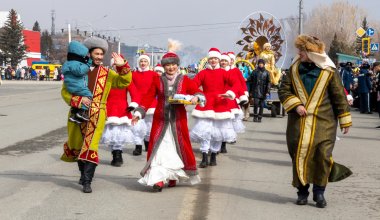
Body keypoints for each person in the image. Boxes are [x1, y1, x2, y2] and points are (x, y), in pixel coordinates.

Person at [279, 35, 352, 208]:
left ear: (312, 53)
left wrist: (344, 119)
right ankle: (302, 192)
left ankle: (319, 193)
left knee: (322, 157)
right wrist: (295, 104)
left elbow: (339, 96)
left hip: (324, 124)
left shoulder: (329, 72)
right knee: (299, 156)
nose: (299, 53)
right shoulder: (294, 69)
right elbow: (284, 90)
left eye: (302, 50)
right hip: (298, 123)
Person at [60, 36, 132, 193]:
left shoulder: (107, 73)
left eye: (102, 54)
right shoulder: (76, 69)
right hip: (76, 113)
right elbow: (65, 92)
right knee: (78, 146)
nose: (99, 57)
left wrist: (123, 67)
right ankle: (82, 175)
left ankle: (87, 181)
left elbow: (124, 82)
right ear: (89, 54)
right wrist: (78, 101)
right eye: (96, 54)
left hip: (97, 114)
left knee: (90, 146)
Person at [135, 41, 205, 191]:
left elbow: (198, 92)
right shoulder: (158, 80)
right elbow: (147, 97)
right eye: (167, 65)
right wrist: (139, 112)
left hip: (177, 122)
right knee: (158, 150)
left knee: (175, 149)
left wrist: (196, 98)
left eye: (173, 64)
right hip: (160, 120)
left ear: (177, 65)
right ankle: (158, 179)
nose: (171, 67)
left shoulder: (185, 80)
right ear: (164, 67)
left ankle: (172, 176)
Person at [190, 48, 238, 168]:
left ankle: (213, 155)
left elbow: (236, 83)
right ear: (208, 59)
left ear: (219, 59)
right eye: (211, 58)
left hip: (220, 104)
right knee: (205, 131)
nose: (213, 60)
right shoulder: (203, 73)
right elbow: (193, 84)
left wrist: (230, 93)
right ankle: (205, 155)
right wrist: (197, 94)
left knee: (218, 132)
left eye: (215, 58)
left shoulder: (224, 73)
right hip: (206, 104)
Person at [101, 59, 146, 167]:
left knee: (119, 133)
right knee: (111, 133)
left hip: (122, 108)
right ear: (112, 66)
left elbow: (135, 93)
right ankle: (115, 153)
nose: (116, 67)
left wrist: (133, 104)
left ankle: (118, 153)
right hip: (108, 107)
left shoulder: (126, 79)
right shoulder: (107, 78)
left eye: (118, 65)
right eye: (115, 65)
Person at [130, 54, 159, 156]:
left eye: (145, 61)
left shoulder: (153, 74)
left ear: (148, 63)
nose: (143, 63)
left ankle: (147, 143)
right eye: (141, 61)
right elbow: (131, 87)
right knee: (137, 125)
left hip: (151, 103)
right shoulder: (133, 74)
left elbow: (158, 88)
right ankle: (138, 146)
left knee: (149, 126)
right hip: (138, 103)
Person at [62, 41, 93, 124]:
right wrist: (88, 63)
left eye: (101, 54)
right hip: (79, 87)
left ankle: (74, 114)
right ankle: (82, 112)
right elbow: (80, 71)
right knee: (89, 96)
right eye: (96, 54)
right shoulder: (79, 65)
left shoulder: (67, 63)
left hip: (72, 87)